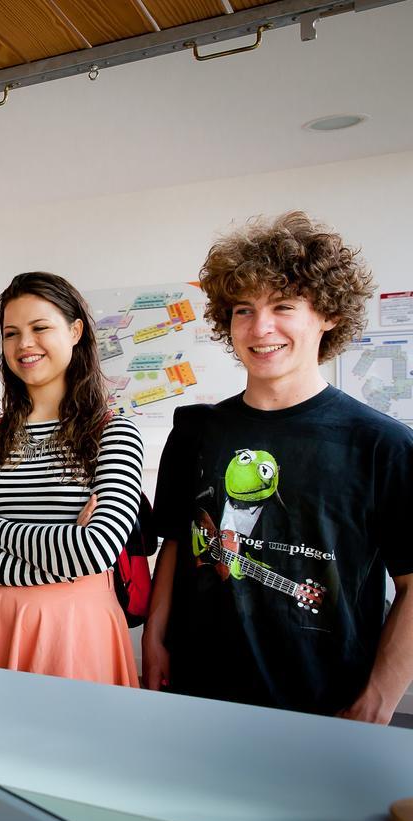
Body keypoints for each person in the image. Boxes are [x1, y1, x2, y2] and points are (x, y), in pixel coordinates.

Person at [143, 211, 413, 722]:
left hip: (324, 706)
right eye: (243, 309)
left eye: (283, 306)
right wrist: (154, 640)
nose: (260, 328)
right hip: (197, 695)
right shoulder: (196, 432)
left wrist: (375, 702)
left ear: (328, 315)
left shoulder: (382, 445)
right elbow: (178, 543)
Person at [0, 272, 144, 686]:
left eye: (39, 328)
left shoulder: (114, 431)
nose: (24, 344)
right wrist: (63, 552)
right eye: (11, 333)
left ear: (75, 331)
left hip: (77, 627)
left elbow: (96, 550)